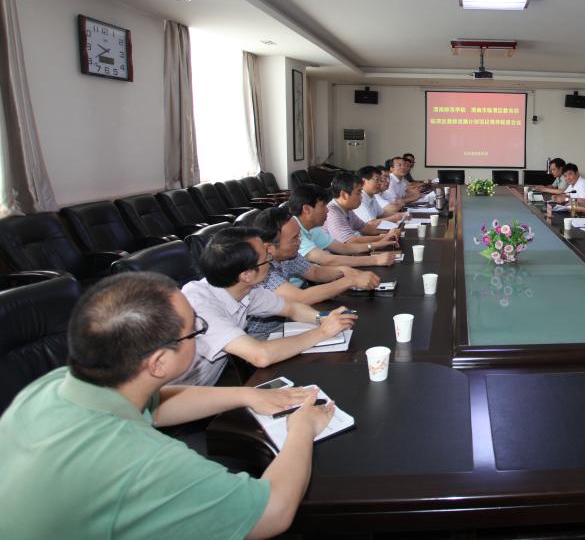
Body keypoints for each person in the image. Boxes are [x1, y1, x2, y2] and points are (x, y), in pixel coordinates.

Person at [0, 271, 334, 540]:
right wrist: (301, 429)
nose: (200, 333)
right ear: (159, 362)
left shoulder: (53, 385)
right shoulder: (145, 462)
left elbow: (156, 406)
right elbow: (272, 514)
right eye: (195, 330)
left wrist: (246, 395)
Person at [175, 227, 358, 386]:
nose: (271, 258)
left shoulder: (245, 288)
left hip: (208, 385)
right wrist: (323, 332)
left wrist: (323, 318)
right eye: (266, 257)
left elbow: (292, 308)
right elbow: (260, 356)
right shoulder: (199, 305)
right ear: (247, 274)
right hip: (176, 400)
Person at [253, 207, 380, 309]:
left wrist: (344, 271)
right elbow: (301, 298)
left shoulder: (289, 255)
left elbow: (315, 272)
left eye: (299, 236)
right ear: (269, 248)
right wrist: (350, 281)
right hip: (270, 331)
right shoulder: (259, 268)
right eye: (294, 239)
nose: (299, 242)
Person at [289, 184, 396, 264]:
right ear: (307, 209)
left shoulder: (313, 228)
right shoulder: (292, 231)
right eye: (323, 206)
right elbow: (328, 260)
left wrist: (379, 243)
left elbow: (343, 248)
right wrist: (375, 260)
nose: (327, 210)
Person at [324, 172, 402, 248]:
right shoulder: (332, 213)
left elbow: (365, 227)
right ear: (344, 195)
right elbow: (350, 241)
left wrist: (391, 230)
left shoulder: (347, 209)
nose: (361, 197)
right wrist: (384, 236)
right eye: (358, 193)